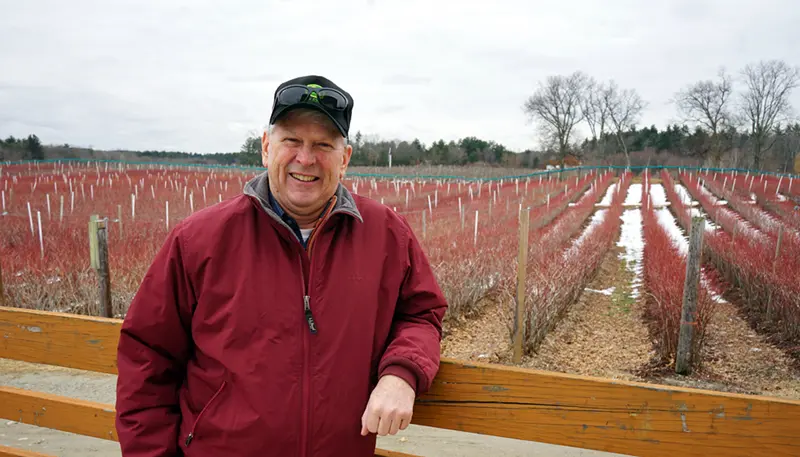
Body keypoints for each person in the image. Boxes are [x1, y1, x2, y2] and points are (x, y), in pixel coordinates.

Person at [115, 75, 448, 457]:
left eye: (323, 144)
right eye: (292, 140)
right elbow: (147, 360)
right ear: (265, 147)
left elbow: (422, 314)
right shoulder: (199, 240)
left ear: (345, 159)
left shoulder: (387, 234)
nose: (305, 159)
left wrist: (401, 374)